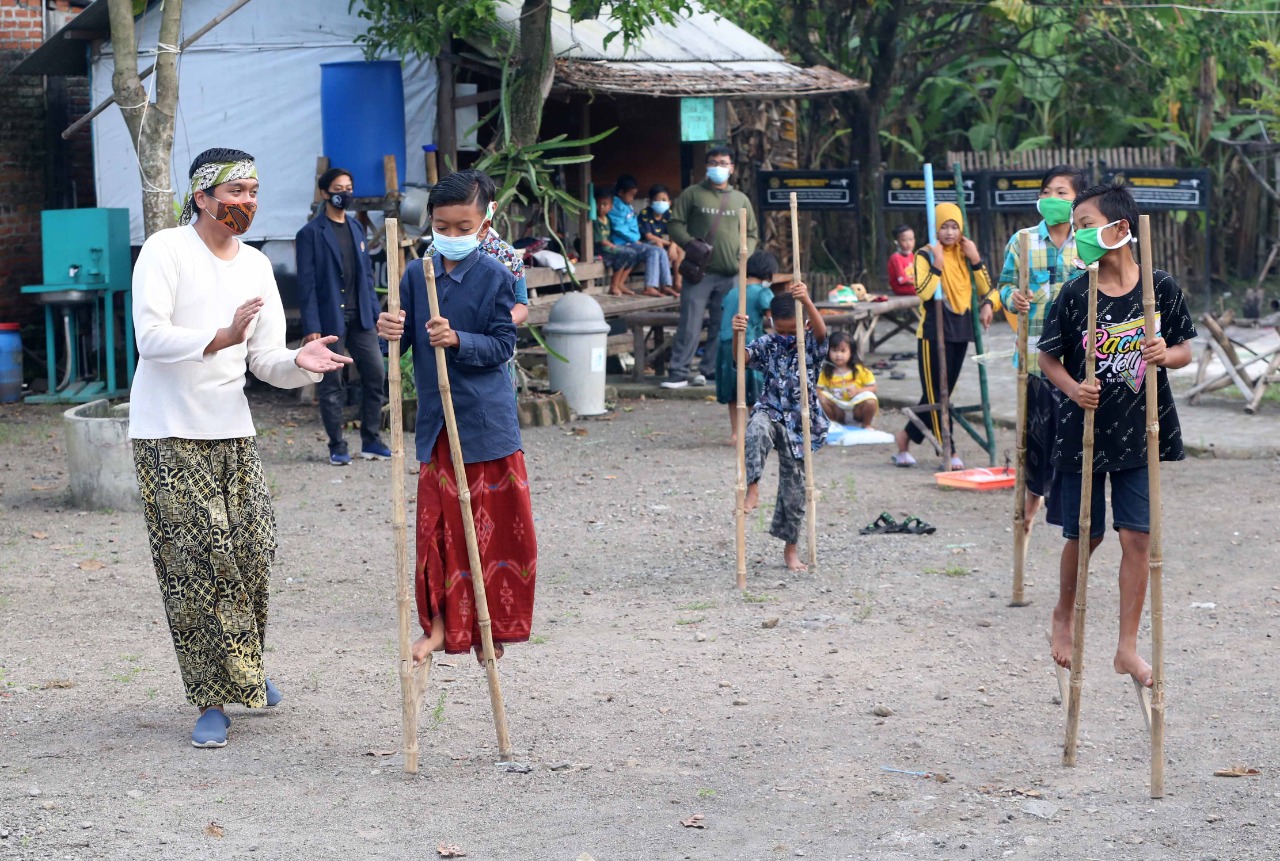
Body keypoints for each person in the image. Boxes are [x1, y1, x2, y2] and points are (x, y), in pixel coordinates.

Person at [130, 148, 352, 748]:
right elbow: (150, 338)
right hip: (166, 430)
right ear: (202, 197)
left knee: (254, 549)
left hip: (232, 429)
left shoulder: (255, 265)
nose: (246, 203)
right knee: (198, 565)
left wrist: (301, 364)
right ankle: (212, 700)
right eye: (234, 192)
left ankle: (246, 666)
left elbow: (266, 360)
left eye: (253, 191)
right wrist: (219, 335)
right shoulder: (166, 250)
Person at [376, 169, 537, 667]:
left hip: (486, 425)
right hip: (436, 426)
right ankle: (443, 628)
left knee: (496, 530)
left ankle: (492, 628)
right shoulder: (412, 274)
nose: (450, 237)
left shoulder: (497, 275)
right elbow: (398, 343)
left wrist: (459, 340)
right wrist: (389, 328)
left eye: (461, 227)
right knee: (439, 531)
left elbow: (503, 345)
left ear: (485, 221)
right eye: (441, 227)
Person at [1038, 179, 1195, 688]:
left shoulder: (1160, 288)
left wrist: (1162, 355)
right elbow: (1047, 357)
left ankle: (1126, 648)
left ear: (1119, 228)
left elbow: (1184, 351)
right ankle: (1063, 614)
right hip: (1084, 429)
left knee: (1138, 537)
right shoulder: (1074, 293)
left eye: (1085, 226)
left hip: (1139, 431)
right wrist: (1072, 387)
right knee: (1087, 533)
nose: (1077, 236)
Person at [996, 165, 1086, 537]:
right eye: (1047, 191)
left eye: (1062, 193)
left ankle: (1070, 514)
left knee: (1074, 443)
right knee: (1034, 444)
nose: (1053, 199)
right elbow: (1001, 285)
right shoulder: (1022, 241)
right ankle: (1028, 512)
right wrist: (1010, 296)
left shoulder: (1088, 242)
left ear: (1077, 200)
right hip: (1033, 361)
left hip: (1077, 363)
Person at [892, 202, 998, 469]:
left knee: (941, 393)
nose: (949, 233)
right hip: (932, 333)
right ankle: (948, 450)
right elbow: (925, 292)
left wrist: (976, 259)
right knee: (938, 395)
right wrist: (938, 265)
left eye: (954, 227)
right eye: (944, 226)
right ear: (935, 228)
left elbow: (985, 287)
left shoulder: (965, 252)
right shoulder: (925, 254)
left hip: (960, 329)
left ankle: (905, 437)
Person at [296, 167, 390, 466]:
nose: (345, 193)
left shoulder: (357, 228)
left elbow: (364, 277)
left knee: (376, 373)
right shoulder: (310, 233)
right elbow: (307, 284)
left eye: (349, 187)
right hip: (328, 321)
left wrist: (376, 314)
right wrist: (311, 326)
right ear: (325, 193)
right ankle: (337, 445)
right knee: (331, 383)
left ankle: (371, 440)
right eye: (338, 188)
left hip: (362, 317)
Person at [735, 283, 827, 572]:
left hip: (800, 423)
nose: (787, 337)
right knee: (755, 430)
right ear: (772, 323)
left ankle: (791, 551)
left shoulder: (810, 343)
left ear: (804, 324)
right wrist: (738, 334)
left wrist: (807, 301)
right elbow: (742, 359)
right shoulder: (768, 343)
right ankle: (752, 487)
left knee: (795, 490)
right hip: (771, 410)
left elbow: (823, 332)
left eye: (793, 331)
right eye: (781, 330)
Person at [665, 146, 759, 389]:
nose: (719, 167)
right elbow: (674, 224)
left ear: (732, 168)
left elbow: (752, 233)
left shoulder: (741, 199)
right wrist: (690, 244)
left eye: (724, 163)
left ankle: (709, 370)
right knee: (690, 322)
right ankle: (678, 371)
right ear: (706, 167)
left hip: (730, 274)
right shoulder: (692, 194)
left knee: (723, 324)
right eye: (714, 162)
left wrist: (744, 253)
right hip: (700, 273)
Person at [716, 250, 781, 444]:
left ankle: (736, 433)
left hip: (726, 343)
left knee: (733, 389)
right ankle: (755, 430)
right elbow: (773, 319)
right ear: (768, 272)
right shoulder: (763, 292)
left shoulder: (734, 291)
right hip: (749, 345)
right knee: (755, 389)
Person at [609, 174, 672, 297]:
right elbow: (619, 228)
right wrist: (636, 240)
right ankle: (649, 286)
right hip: (623, 244)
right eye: (631, 195)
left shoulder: (627, 206)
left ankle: (666, 285)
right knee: (653, 251)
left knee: (661, 251)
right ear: (621, 192)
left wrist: (636, 240)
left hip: (633, 242)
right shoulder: (614, 206)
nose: (633, 198)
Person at [818, 331, 878, 428]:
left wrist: (858, 391)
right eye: (834, 350)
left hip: (856, 408)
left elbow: (873, 388)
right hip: (838, 410)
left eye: (842, 351)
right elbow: (818, 391)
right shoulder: (826, 372)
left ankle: (866, 425)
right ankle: (833, 424)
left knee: (870, 400)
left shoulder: (860, 370)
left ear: (851, 352)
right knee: (820, 398)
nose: (838, 355)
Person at [594, 188, 641, 296]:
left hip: (609, 246)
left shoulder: (608, 219)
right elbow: (602, 241)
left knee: (633, 253)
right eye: (599, 204)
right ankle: (613, 286)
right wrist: (614, 247)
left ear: (610, 207)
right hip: (600, 248)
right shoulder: (595, 220)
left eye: (605, 204)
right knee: (623, 253)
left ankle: (620, 283)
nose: (601, 207)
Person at [639, 183, 682, 296]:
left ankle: (677, 283)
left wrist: (673, 246)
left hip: (661, 243)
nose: (660, 203)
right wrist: (669, 243)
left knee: (679, 249)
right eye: (657, 200)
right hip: (644, 244)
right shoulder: (645, 214)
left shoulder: (669, 214)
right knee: (658, 245)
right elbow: (649, 236)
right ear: (651, 202)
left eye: (664, 200)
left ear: (669, 202)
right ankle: (660, 285)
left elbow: (676, 233)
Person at [887, 224, 917, 296]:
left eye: (911, 239)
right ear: (896, 242)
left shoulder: (912, 255)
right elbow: (902, 280)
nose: (908, 243)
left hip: (913, 286)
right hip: (902, 288)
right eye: (904, 240)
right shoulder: (896, 258)